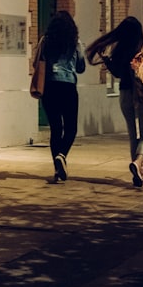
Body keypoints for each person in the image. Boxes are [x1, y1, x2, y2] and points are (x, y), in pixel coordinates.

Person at [85, 16, 143, 188]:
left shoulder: (120, 50)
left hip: (125, 94)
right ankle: (138, 163)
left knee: (134, 134)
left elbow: (117, 73)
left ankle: (138, 173)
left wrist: (107, 60)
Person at [39, 11, 86, 183]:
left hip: (49, 87)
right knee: (71, 128)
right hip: (68, 87)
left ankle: (57, 169)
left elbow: (38, 62)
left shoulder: (46, 41)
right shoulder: (75, 43)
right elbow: (81, 67)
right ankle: (62, 155)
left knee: (56, 129)